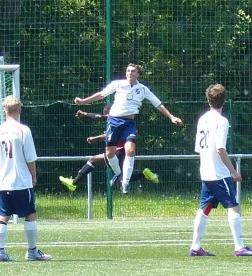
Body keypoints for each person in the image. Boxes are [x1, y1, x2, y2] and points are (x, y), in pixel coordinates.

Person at [74, 63, 182, 194]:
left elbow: (158, 104)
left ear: (138, 74)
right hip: (114, 122)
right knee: (109, 154)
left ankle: (125, 183)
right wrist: (83, 101)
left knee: (130, 150)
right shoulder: (118, 84)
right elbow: (101, 95)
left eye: (133, 71)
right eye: (128, 71)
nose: (129, 73)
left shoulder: (142, 89)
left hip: (129, 123)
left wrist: (171, 117)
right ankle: (120, 175)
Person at [189, 84, 252, 257]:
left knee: (205, 207)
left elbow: (199, 148)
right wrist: (233, 171)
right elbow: (220, 149)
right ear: (224, 100)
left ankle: (195, 247)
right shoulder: (222, 121)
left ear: (208, 99)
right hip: (219, 173)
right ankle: (239, 246)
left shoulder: (202, 119)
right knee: (233, 206)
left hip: (205, 171)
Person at [0, 95, 51, 262]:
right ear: (19, 110)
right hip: (21, 181)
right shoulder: (23, 130)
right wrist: (34, 176)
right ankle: (32, 251)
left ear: (5, 111)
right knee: (30, 214)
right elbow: (30, 157)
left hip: (3, 182)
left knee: (3, 216)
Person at [59, 104, 159, 191]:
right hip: (122, 152)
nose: (107, 115)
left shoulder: (115, 118)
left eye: (107, 113)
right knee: (123, 177)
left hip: (118, 152)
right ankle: (144, 174)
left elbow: (99, 117)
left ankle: (73, 183)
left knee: (93, 160)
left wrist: (85, 115)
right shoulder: (126, 120)